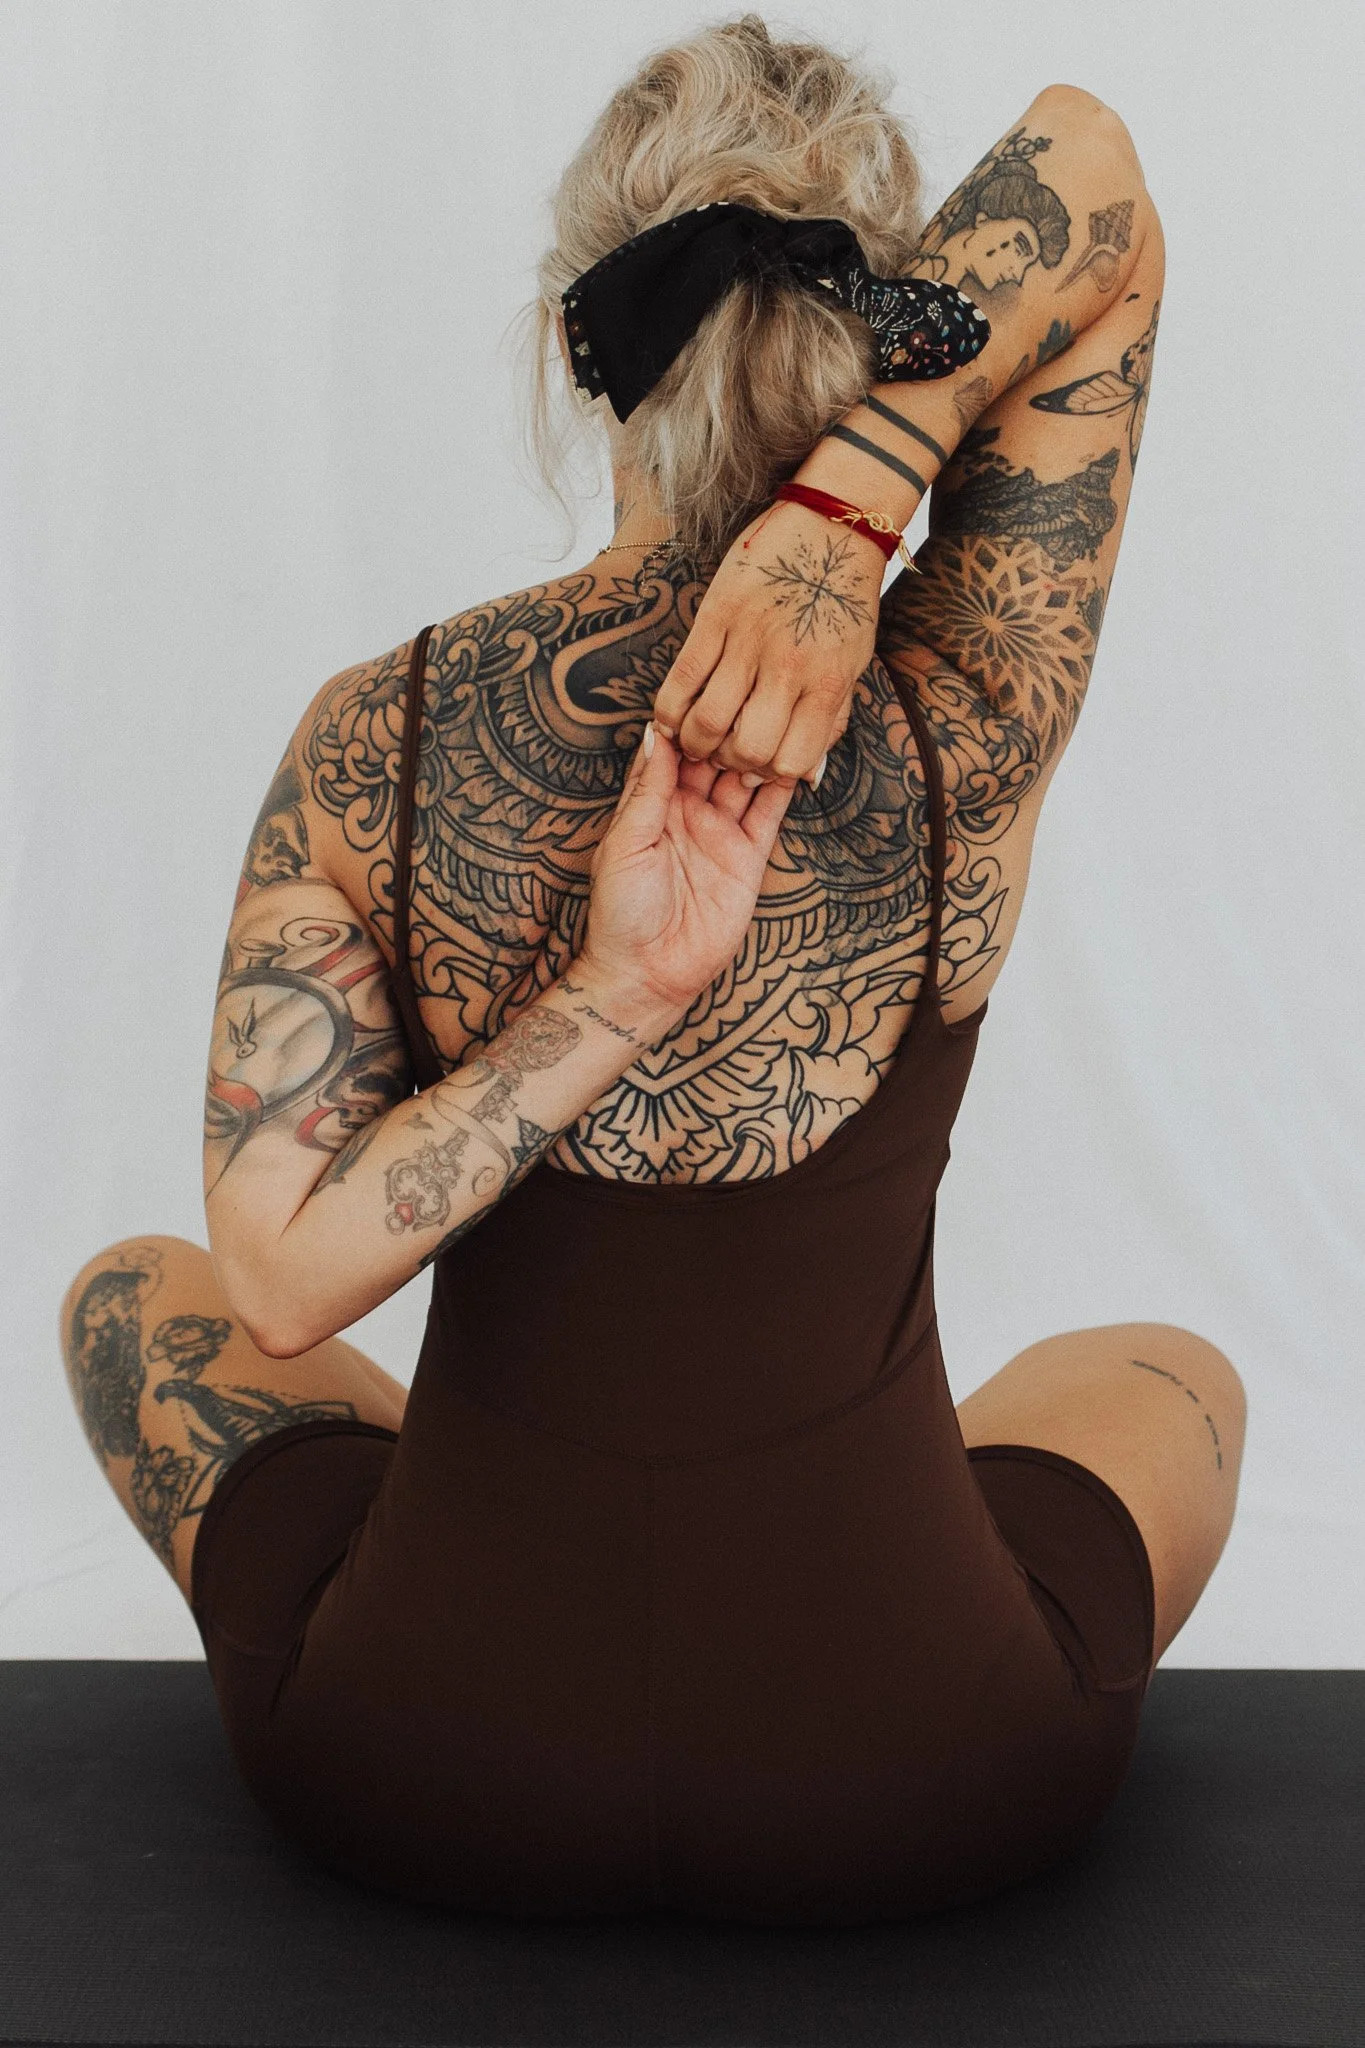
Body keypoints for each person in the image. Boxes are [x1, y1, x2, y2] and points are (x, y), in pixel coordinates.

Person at [60, 16, 1245, 1927]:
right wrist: (860, 498)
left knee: (136, 1290)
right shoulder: (967, 707)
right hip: (922, 1774)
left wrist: (607, 1000)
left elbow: (274, 1283)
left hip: (429, 1769)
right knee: (1169, 1372)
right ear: (894, 327)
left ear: (577, 346)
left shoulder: (383, 738)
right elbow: (1093, 169)